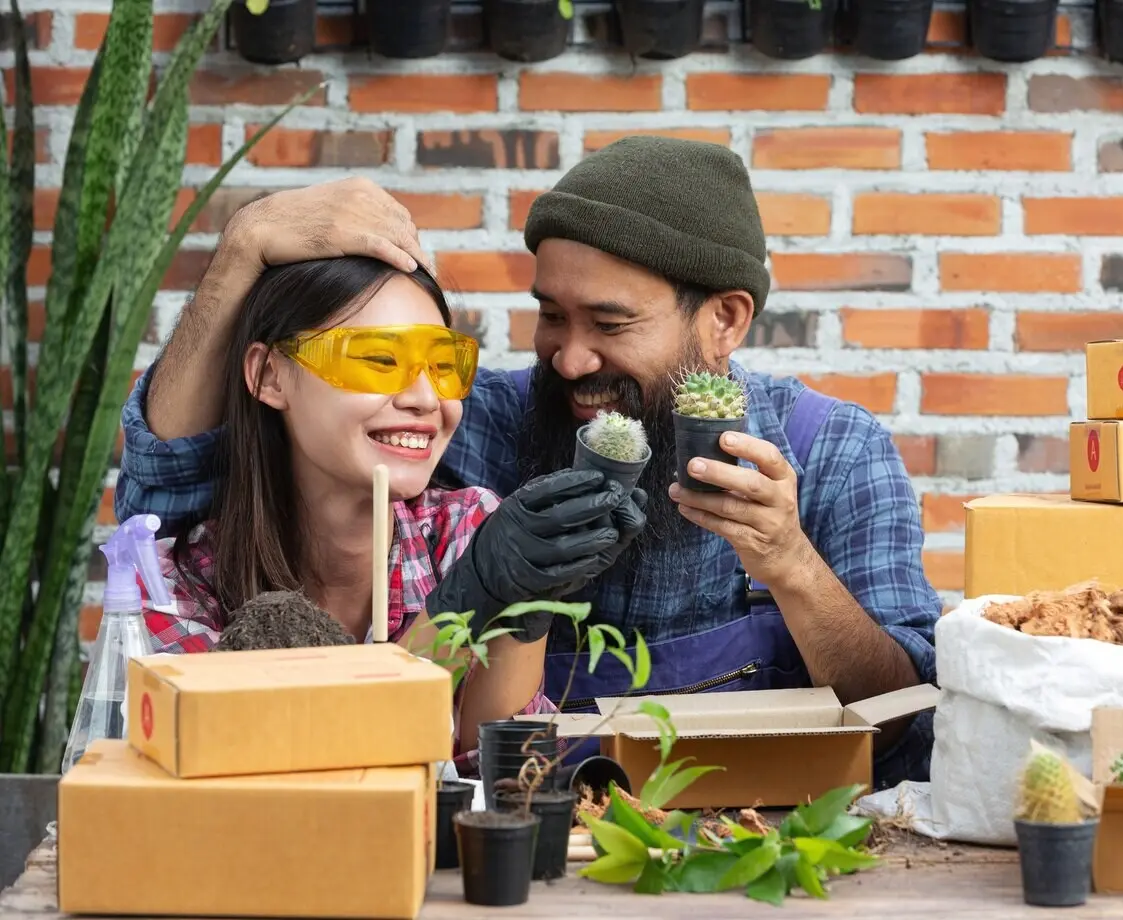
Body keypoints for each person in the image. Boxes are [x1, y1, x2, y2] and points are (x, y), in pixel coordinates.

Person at [116, 136, 945, 788]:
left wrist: (793, 566)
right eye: (551, 315)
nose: (570, 359)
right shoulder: (481, 424)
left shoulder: (832, 451)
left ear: (724, 321)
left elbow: (909, 725)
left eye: (609, 324)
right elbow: (172, 486)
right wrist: (241, 253)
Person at [140, 255, 645, 771]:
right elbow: (292, 775)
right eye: (380, 362)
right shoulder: (170, 585)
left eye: (444, 366)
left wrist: (526, 605)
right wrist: (459, 609)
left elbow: (502, 780)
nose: (426, 398)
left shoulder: (469, 529)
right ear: (269, 376)